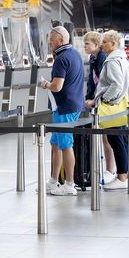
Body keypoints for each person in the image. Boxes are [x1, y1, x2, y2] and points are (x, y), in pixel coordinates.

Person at [86, 30, 129, 191]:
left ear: (114, 44)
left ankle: (121, 176)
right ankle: (123, 174)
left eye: (105, 42)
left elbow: (116, 84)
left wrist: (105, 99)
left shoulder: (112, 61)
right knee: (120, 140)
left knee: (116, 140)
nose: (102, 44)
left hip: (113, 106)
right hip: (121, 104)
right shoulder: (122, 58)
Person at [39, 26, 84, 196]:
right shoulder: (75, 54)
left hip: (64, 107)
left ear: (60, 40)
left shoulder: (61, 58)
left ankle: (69, 184)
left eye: (51, 39)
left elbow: (57, 86)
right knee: (56, 143)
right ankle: (53, 181)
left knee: (65, 144)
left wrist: (46, 84)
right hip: (71, 104)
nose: (50, 42)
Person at [83, 31, 116, 182]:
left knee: (107, 137)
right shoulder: (93, 58)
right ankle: (108, 169)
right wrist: (89, 97)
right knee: (103, 137)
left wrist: (97, 100)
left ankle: (111, 170)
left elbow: (104, 82)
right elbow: (92, 80)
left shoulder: (103, 57)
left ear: (96, 44)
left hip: (106, 102)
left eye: (87, 43)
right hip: (97, 101)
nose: (84, 46)